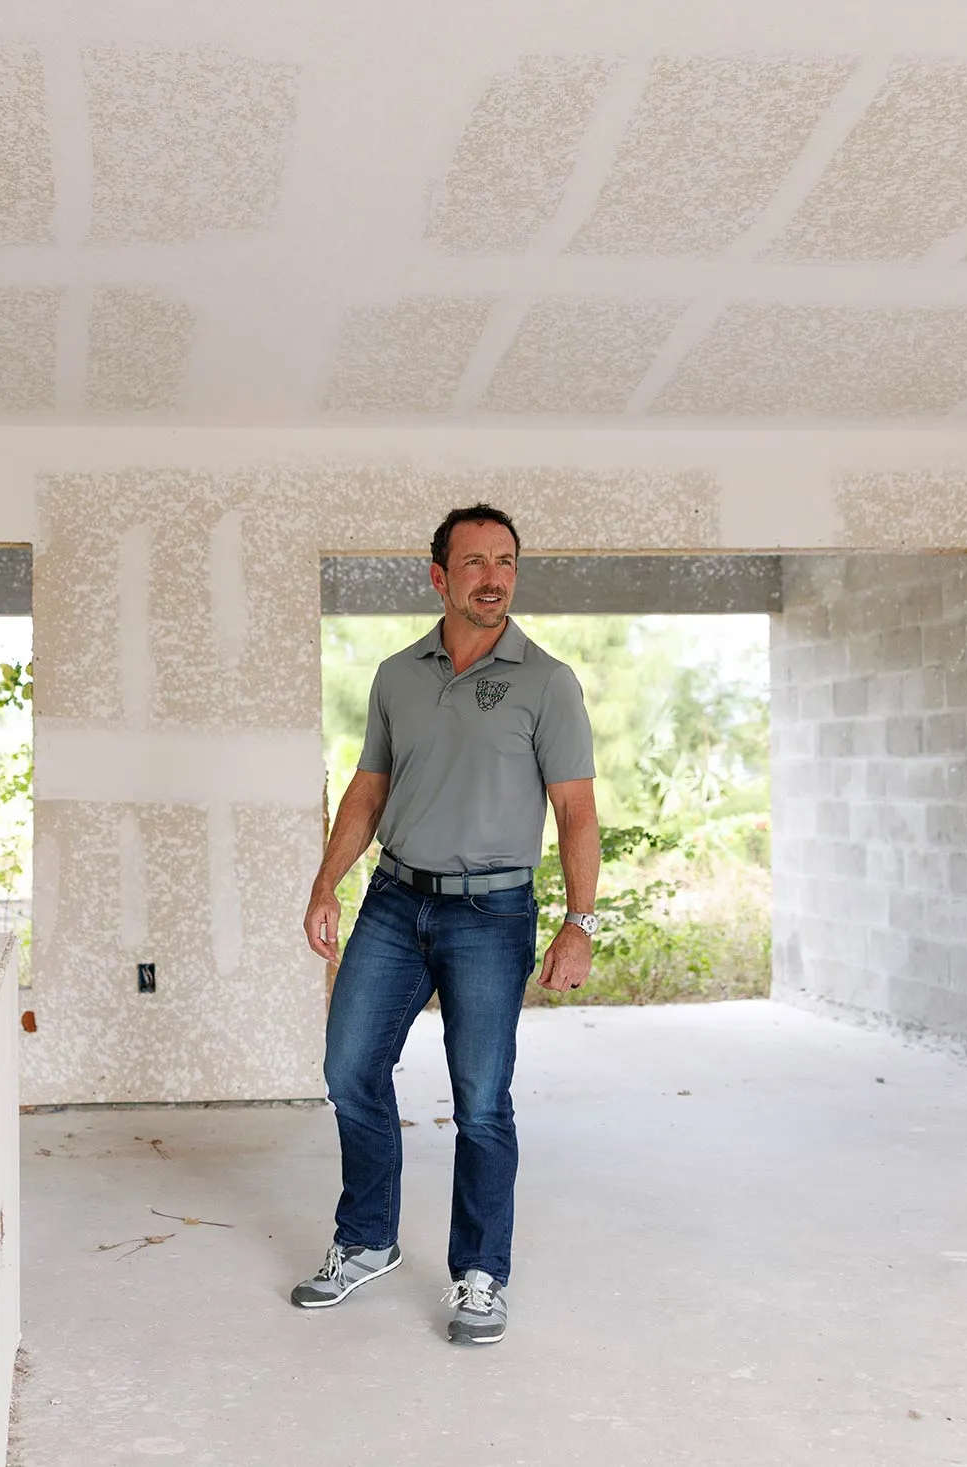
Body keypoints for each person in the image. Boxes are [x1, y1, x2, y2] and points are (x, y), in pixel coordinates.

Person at [293, 503, 601, 1346]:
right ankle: (366, 1238)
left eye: (504, 561)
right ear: (439, 576)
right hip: (395, 900)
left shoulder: (547, 681)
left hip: (493, 913)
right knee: (350, 1066)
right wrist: (328, 882)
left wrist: (579, 922)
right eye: (474, 563)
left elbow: (576, 811)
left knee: (480, 1102)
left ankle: (480, 1273)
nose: (493, 576)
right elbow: (368, 790)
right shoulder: (397, 675)